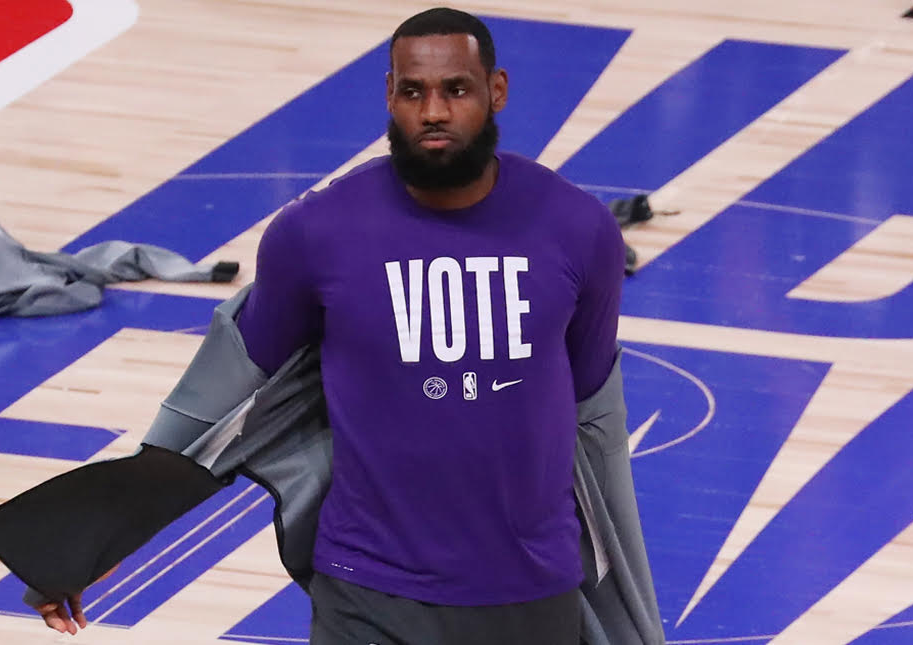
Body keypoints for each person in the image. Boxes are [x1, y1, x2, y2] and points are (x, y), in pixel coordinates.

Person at [34, 7, 629, 644]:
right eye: (412, 91)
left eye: (456, 89)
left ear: (496, 91)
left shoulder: (577, 229)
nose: (433, 111)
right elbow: (217, 393)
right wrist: (99, 532)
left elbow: (595, 417)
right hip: (370, 592)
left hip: (531, 592)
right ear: (389, 95)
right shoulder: (316, 233)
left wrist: (623, 598)